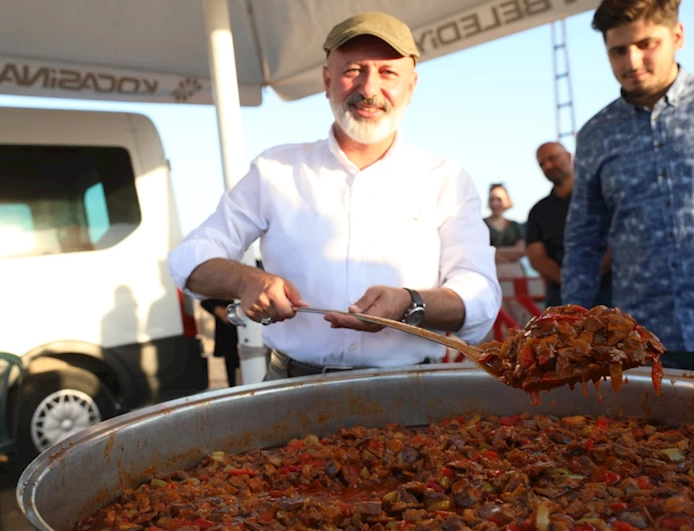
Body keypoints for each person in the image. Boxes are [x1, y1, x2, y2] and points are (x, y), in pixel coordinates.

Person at [168, 12, 501, 380]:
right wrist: (246, 281)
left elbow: (482, 297)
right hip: (291, 386)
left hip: (411, 389)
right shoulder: (276, 169)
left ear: (411, 87)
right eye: (353, 70)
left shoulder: (446, 178)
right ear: (327, 81)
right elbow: (189, 259)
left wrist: (411, 303)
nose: (369, 89)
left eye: (387, 73)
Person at [562, 0, 694, 369]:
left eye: (646, 44)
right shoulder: (595, 135)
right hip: (641, 345)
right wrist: (569, 329)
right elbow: (584, 241)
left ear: (677, 36)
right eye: (618, 50)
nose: (632, 61)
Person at [527, 142, 612, 308]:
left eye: (552, 158)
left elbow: (617, 239)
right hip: (561, 298)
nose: (548, 166)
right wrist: (570, 281)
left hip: (608, 293)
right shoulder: (538, 211)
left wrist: (589, 277)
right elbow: (536, 257)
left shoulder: (602, 198)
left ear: (568, 156)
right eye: (542, 164)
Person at [484, 184, 533, 328]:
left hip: (514, 274)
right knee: (494, 311)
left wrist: (495, 252)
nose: (495, 203)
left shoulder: (514, 225)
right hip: (491, 273)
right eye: (492, 199)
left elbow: (521, 250)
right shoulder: (482, 224)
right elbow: (480, 251)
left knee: (518, 310)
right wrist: (510, 253)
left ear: (506, 201)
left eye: (499, 199)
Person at [201, 298, 241, 387]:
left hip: (254, 331)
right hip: (229, 334)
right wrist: (218, 310)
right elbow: (205, 300)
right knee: (234, 376)